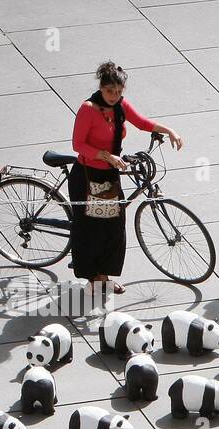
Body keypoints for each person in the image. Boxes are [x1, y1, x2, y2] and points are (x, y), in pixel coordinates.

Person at [70, 62, 182, 297]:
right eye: (110, 91)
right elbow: (78, 144)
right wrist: (106, 156)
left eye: (119, 92)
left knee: (113, 228)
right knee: (92, 229)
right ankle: (94, 278)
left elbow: (142, 122)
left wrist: (169, 130)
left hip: (109, 175)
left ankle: (105, 276)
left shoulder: (120, 106)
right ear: (101, 87)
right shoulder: (88, 109)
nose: (115, 96)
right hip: (88, 176)